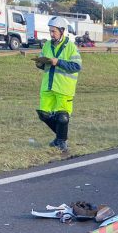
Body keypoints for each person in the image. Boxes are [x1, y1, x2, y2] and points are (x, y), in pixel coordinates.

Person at [34, 16, 82, 152]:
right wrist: (40, 63)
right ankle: (61, 138)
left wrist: (58, 62)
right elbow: (45, 66)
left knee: (62, 117)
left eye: (53, 31)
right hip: (48, 86)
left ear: (62, 31)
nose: (51, 34)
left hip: (64, 88)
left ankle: (61, 142)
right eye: (50, 31)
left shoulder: (71, 47)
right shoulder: (47, 45)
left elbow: (76, 66)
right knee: (43, 114)